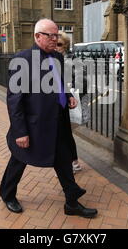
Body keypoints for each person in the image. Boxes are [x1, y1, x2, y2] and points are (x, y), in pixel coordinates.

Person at [0, 18, 97, 218]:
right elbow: (14, 100)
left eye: (57, 35)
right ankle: (8, 194)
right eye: (50, 35)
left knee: (63, 160)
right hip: (33, 124)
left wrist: (68, 96)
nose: (55, 39)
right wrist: (20, 131)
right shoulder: (23, 60)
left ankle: (72, 202)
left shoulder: (58, 58)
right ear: (37, 36)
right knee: (19, 159)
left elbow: (60, 83)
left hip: (58, 121)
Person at [55, 32, 82, 173]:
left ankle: (72, 163)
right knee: (65, 135)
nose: (56, 47)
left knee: (65, 135)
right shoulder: (54, 59)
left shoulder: (72, 60)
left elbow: (82, 81)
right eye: (55, 44)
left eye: (59, 44)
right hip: (59, 104)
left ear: (65, 45)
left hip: (69, 102)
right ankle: (73, 162)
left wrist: (71, 88)